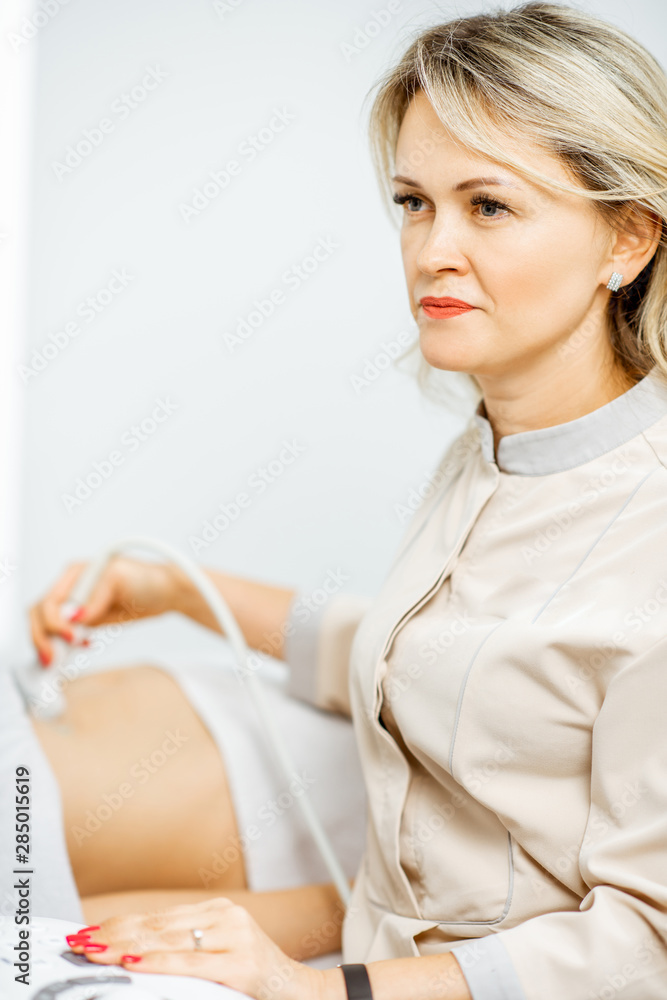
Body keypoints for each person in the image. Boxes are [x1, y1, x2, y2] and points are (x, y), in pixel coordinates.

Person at [36, 1, 667, 997]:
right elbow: (427, 659)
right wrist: (177, 590)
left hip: (423, 980)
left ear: (626, 239)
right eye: (413, 202)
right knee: (35, 925)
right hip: (376, 934)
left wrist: (329, 989)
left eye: (487, 206)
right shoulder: (490, 450)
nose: (431, 250)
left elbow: (646, 945)